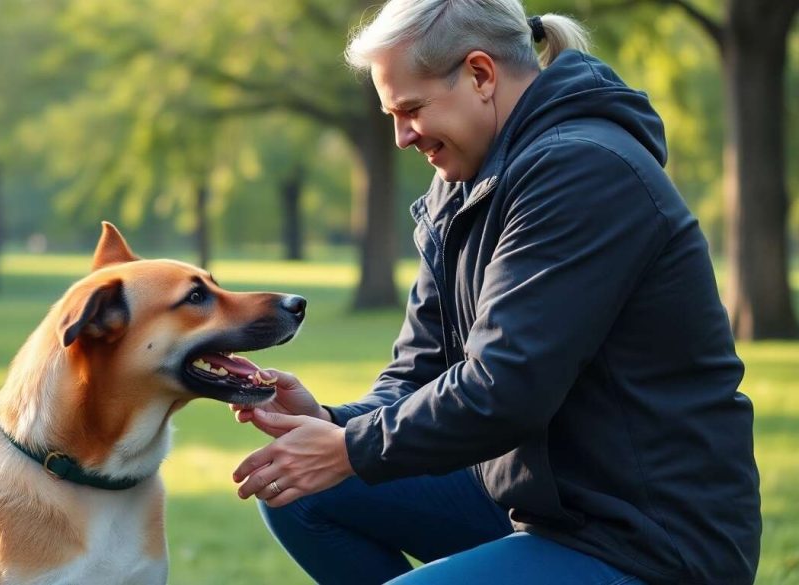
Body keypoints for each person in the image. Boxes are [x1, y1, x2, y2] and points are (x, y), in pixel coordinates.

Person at [230, 0, 762, 583]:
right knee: (298, 493)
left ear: (481, 75)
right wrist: (332, 422)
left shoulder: (583, 170)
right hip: (535, 500)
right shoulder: (460, 186)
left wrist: (349, 448)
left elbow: (504, 388)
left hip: (644, 536)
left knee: (334, 474)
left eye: (411, 108)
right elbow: (418, 372)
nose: (403, 136)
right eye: (391, 114)